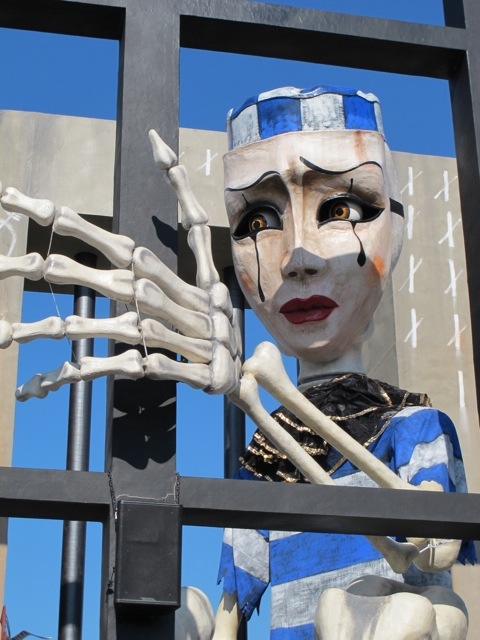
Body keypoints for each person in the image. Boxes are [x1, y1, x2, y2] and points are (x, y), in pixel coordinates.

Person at [213, 85, 476, 640]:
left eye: (341, 210)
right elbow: (229, 614)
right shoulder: (263, 464)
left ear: (395, 231)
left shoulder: (413, 429)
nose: (299, 258)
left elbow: (434, 548)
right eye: (258, 221)